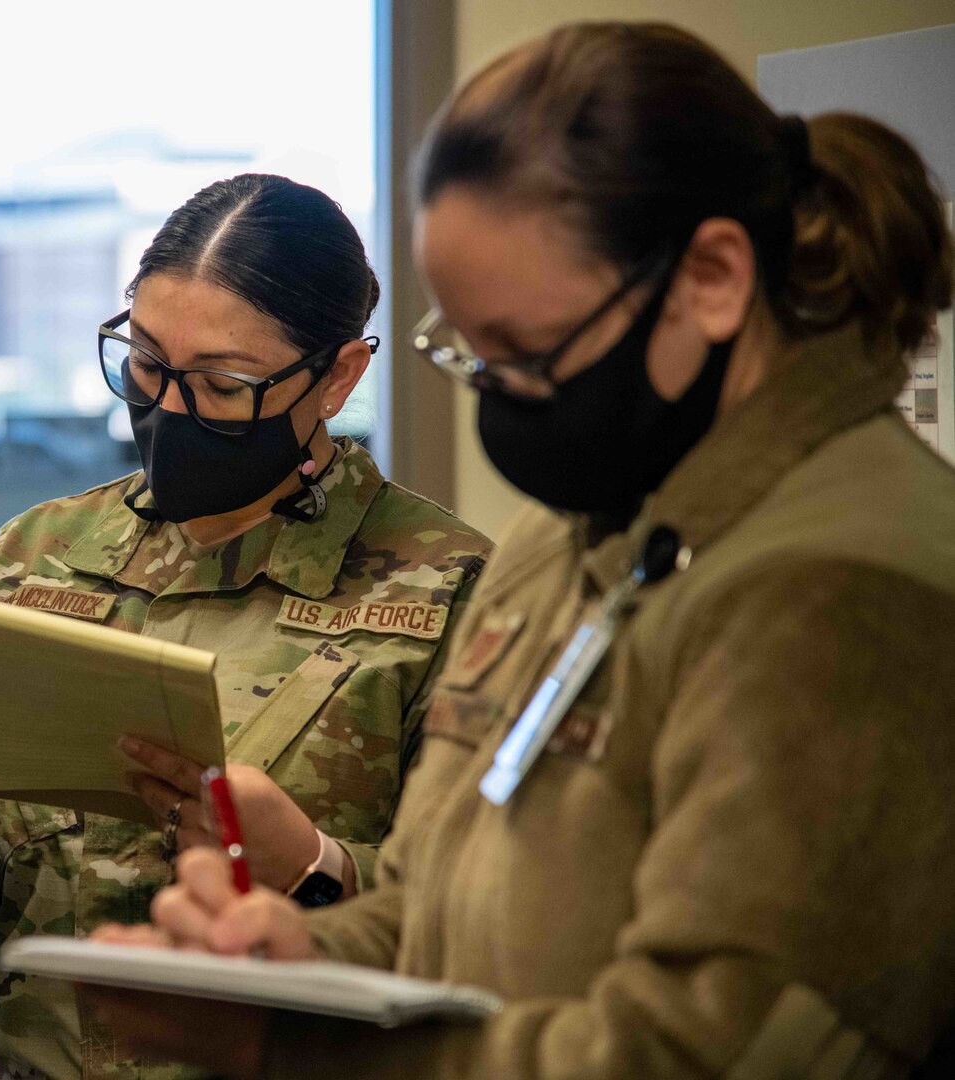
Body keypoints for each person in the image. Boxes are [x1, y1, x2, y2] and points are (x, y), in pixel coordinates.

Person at [87, 22, 955, 1080]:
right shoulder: (571, 531)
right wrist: (291, 956)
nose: (495, 404)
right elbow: (436, 903)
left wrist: (293, 1043)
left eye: (524, 354)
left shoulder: (842, 588)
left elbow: (706, 1051)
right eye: (466, 352)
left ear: (714, 277)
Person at [0, 173, 493, 1080]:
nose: (169, 410)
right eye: (145, 364)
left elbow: (504, 932)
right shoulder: (34, 558)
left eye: (225, 385)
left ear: (338, 376)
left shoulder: (449, 592)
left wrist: (312, 869)